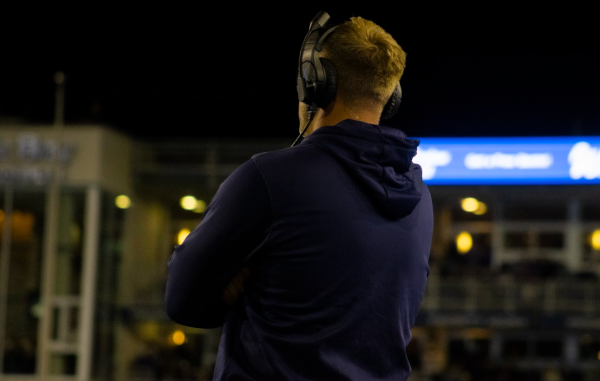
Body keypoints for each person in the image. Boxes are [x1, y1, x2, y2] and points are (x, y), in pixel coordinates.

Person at [165, 11, 433, 381]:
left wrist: (240, 286)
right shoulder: (419, 195)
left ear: (316, 81)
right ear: (389, 98)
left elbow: (182, 301)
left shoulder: (270, 179)